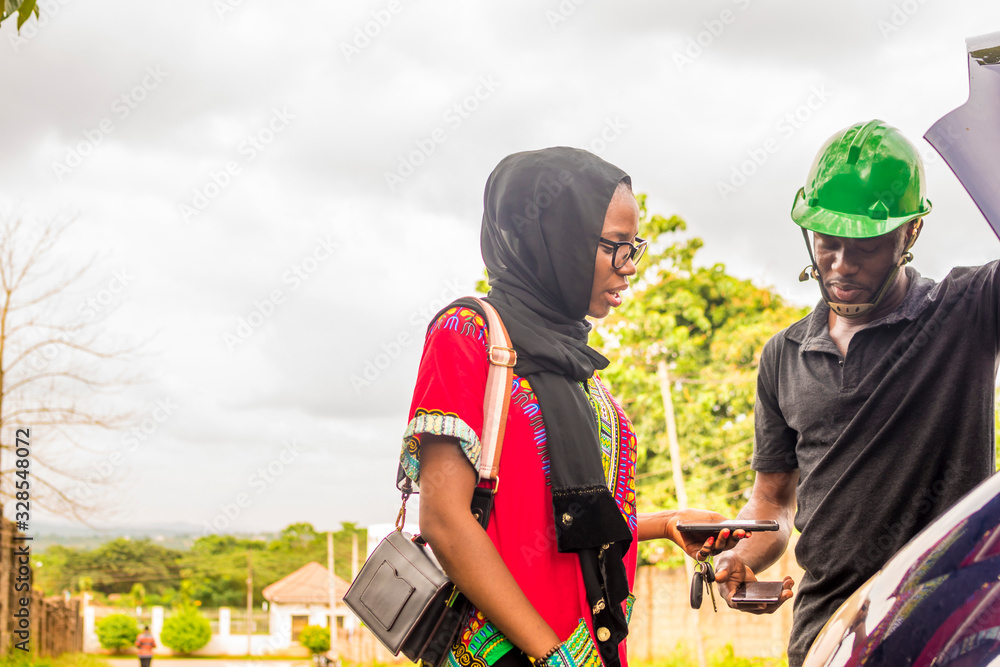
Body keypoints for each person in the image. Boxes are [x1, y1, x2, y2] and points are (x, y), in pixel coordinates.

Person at [402, 147, 746, 667]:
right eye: (616, 247)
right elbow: (446, 521)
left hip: (592, 646)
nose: (630, 268)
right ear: (555, 239)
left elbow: (556, 519)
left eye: (636, 248)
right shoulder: (467, 336)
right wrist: (552, 657)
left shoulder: (578, 366)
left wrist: (668, 524)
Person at [713, 119, 1000, 667]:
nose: (840, 266)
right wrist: (743, 555)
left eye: (864, 247)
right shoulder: (783, 354)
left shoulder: (968, 308)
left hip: (948, 629)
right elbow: (773, 501)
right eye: (828, 243)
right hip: (828, 636)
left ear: (910, 233)